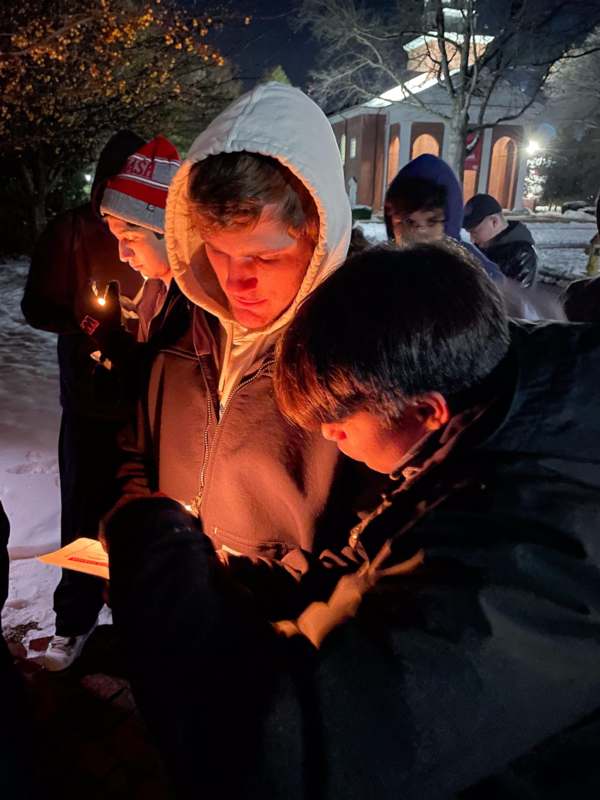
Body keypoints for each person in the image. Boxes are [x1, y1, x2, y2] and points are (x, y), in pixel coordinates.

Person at [106, 241, 600, 798]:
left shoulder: (534, 551)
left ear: (424, 411)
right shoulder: (498, 419)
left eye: (339, 429)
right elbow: (378, 567)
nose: (327, 439)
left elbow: (280, 756)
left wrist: (157, 557)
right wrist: (234, 580)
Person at [114, 81, 361, 563]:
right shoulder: (179, 331)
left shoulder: (359, 361)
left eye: (265, 257)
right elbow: (135, 450)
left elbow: (371, 546)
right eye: (219, 251)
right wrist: (140, 531)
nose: (234, 280)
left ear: (319, 237)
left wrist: (251, 603)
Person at [24, 134, 186, 671]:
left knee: (138, 521)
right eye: (112, 228)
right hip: (91, 405)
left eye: (131, 233)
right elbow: (37, 306)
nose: (121, 250)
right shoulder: (72, 230)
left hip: (144, 412)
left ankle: (139, 624)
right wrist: (91, 324)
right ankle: (75, 621)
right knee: (83, 516)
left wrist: (132, 339)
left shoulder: (178, 273)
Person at [384, 153, 502, 280]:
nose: (419, 233)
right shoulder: (378, 273)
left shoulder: (475, 275)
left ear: (448, 222)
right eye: (409, 222)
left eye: (431, 221)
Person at [463, 192, 538, 287]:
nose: (472, 239)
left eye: (474, 232)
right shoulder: (480, 247)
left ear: (494, 222)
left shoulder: (522, 254)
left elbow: (518, 297)